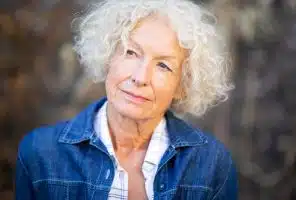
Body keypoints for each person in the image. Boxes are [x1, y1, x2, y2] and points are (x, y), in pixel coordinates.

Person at [15, 0, 237, 199]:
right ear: (108, 57)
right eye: (131, 52)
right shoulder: (39, 153)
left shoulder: (212, 164)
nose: (140, 77)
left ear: (182, 85)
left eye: (163, 65)